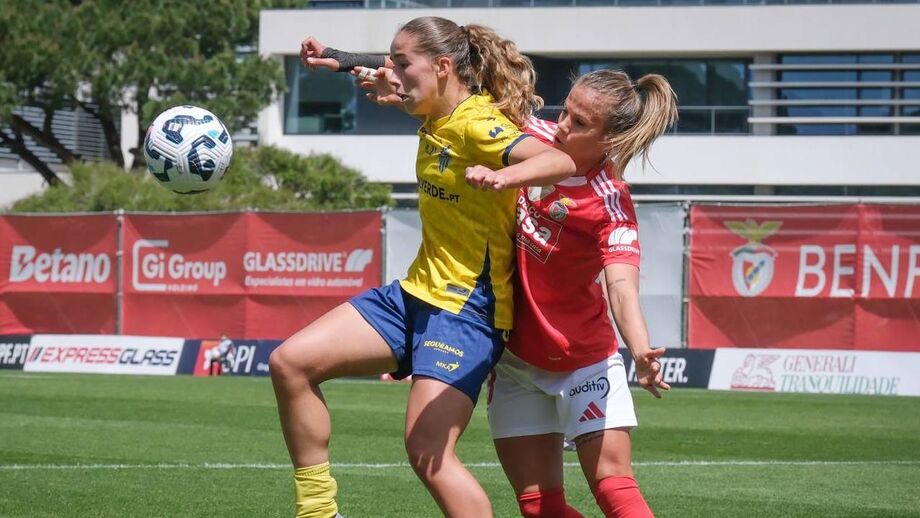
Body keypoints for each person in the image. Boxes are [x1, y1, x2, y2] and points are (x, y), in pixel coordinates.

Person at [304, 39, 678, 516]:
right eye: (567, 111)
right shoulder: (531, 135)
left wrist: (640, 348)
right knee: (538, 507)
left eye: (581, 123)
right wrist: (354, 62)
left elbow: (621, 286)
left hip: (583, 360)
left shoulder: (609, 204)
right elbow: (445, 85)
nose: (563, 126)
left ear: (610, 140)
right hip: (517, 360)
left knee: (613, 489)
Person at [270, 16, 576, 518]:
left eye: (402, 63)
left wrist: (506, 177)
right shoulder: (437, 107)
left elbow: (559, 162)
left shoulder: (477, 124)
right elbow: (393, 73)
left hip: (465, 312)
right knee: (291, 364)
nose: (392, 73)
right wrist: (343, 59)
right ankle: (317, 513)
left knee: (429, 454)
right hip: (413, 297)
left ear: (442, 66)